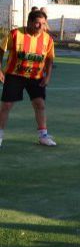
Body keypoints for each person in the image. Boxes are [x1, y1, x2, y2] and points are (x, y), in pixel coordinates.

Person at [0, 8, 57, 148]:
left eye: (43, 23)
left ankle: (43, 136)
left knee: (40, 104)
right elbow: (1, 50)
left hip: (36, 77)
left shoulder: (47, 39)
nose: (41, 26)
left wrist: (48, 76)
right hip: (15, 75)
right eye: (38, 23)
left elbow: (50, 59)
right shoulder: (15, 34)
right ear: (29, 22)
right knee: (6, 105)